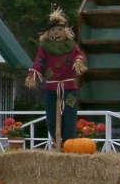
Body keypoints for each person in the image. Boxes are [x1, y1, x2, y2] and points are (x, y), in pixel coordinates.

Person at [25, 8, 87, 146]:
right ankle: (56, 140)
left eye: (59, 30)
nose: (56, 33)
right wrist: (33, 74)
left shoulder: (72, 46)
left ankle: (68, 143)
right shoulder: (44, 48)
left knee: (70, 115)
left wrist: (78, 61)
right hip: (51, 88)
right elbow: (38, 62)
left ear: (65, 32)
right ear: (48, 33)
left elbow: (80, 55)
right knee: (51, 117)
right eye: (53, 30)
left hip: (70, 88)